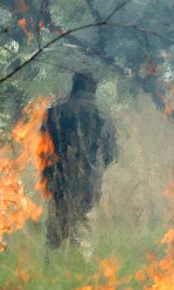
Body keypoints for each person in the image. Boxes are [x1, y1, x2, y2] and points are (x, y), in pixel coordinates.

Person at [41, 72, 117, 250]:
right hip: (89, 177)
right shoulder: (102, 114)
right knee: (83, 221)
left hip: (58, 175)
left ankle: (52, 262)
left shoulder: (54, 112)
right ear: (93, 88)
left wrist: (47, 174)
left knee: (58, 222)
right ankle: (80, 266)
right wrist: (98, 169)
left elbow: (44, 148)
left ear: (74, 86)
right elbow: (109, 152)